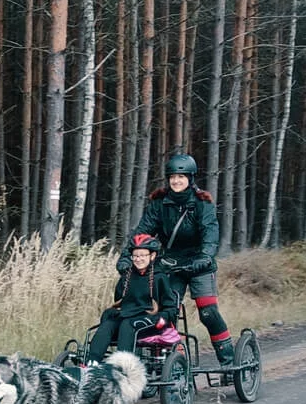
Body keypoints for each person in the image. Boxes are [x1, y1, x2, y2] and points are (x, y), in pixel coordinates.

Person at [116, 153, 235, 367]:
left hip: (200, 263)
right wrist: (126, 257)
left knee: (208, 312)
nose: (176, 181)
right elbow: (142, 233)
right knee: (166, 312)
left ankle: (228, 360)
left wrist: (206, 256)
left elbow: (210, 233)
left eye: (181, 176)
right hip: (171, 263)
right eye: (172, 177)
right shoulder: (159, 204)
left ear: (190, 178)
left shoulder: (202, 204)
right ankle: (176, 361)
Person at [86, 234, 179, 364]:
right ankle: (92, 363)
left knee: (127, 325)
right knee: (107, 325)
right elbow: (119, 301)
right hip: (128, 315)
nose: (138, 259)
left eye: (142, 255)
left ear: (152, 256)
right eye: (135, 256)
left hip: (152, 319)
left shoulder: (159, 277)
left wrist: (163, 317)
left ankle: (123, 366)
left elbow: (171, 307)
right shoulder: (127, 276)